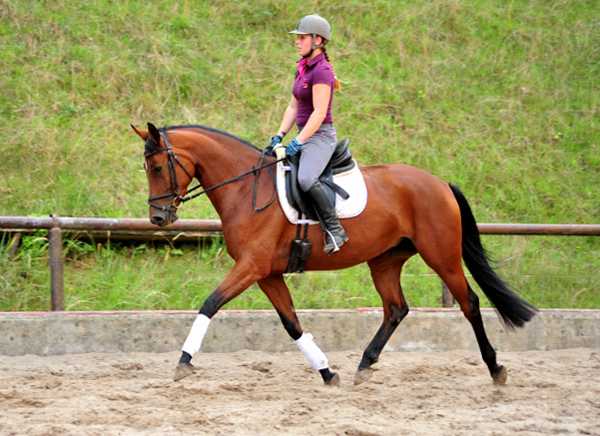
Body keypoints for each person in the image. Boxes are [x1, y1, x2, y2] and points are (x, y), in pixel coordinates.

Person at [268, 14, 348, 255]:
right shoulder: (302, 68)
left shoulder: (321, 70)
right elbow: (293, 107)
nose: (297, 41)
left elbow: (320, 112)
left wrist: (298, 141)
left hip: (320, 136)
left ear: (317, 40)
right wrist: (279, 135)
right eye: (298, 37)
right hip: (304, 134)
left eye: (302, 38)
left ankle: (335, 229)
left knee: (305, 178)